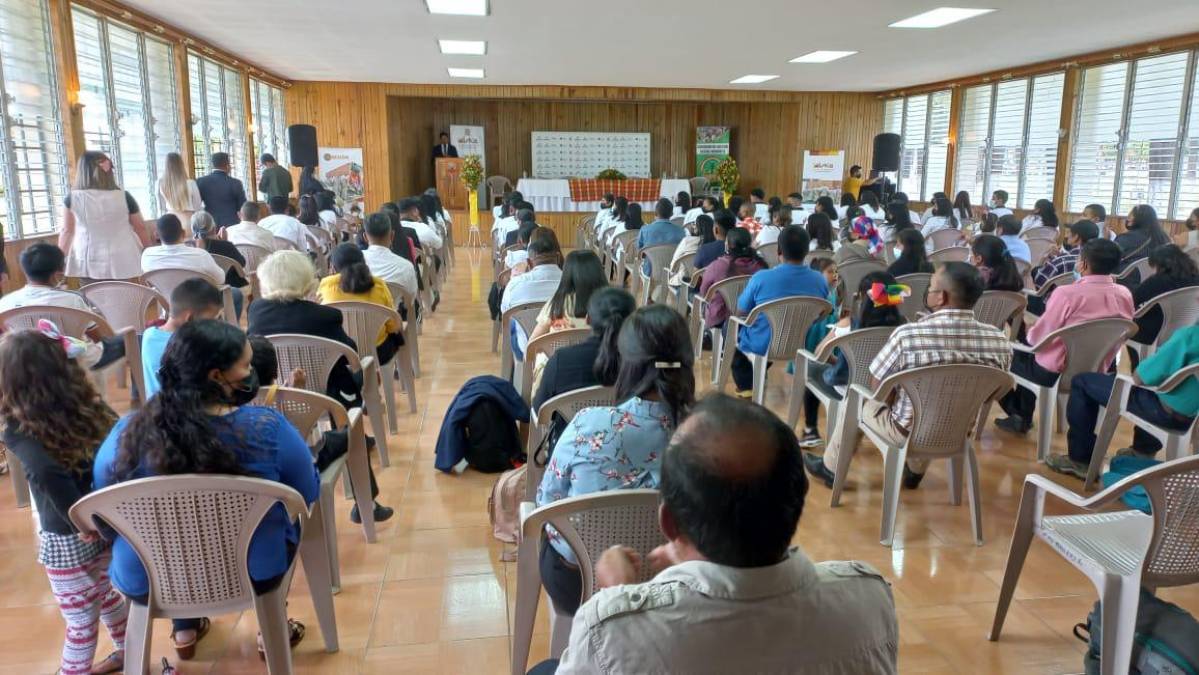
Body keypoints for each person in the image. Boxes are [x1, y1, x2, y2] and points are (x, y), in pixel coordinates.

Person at [545, 394, 898, 674]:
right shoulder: (870, 600)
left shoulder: (609, 632)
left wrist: (619, 595)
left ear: (668, 524)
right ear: (797, 497)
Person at [94, 319, 319, 660]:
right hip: (253, 570)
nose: (250, 373)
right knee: (290, 517)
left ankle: (184, 627)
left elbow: (101, 509)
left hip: (148, 577)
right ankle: (274, 625)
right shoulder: (266, 429)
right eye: (245, 366)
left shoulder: (126, 433)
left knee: (171, 529)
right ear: (216, 376)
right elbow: (306, 490)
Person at [535, 304, 695, 617]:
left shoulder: (588, 425)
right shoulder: (710, 435)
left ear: (626, 361)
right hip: (676, 585)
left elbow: (547, 502)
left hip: (581, 582)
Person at [804, 262, 1012, 489]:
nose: (928, 292)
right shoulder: (999, 341)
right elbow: (994, 392)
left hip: (903, 433)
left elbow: (878, 389)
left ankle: (830, 468)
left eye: (930, 287)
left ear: (941, 297)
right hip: (959, 432)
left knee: (857, 398)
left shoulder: (909, 336)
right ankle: (914, 471)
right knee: (938, 407)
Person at [0, 328, 128, 675]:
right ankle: (129, 652)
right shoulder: (91, 406)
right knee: (106, 593)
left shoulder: (18, 426)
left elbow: (44, 473)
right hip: (104, 523)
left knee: (80, 622)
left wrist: (78, 519)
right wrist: (96, 518)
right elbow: (119, 445)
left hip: (68, 535)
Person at [995, 239, 1134, 435]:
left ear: (1084, 264)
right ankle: (1020, 415)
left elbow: (1037, 340)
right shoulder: (1125, 294)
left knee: (999, 357)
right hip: (1097, 369)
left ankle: (1018, 414)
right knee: (1030, 355)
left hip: (1054, 371)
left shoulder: (1067, 293)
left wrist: (1031, 332)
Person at [248, 336, 391, 523]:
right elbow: (303, 440)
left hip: (259, 485)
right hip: (305, 462)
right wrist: (297, 393)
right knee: (351, 433)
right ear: (275, 369)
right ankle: (367, 505)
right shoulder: (283, 403)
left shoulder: (234, 408)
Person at [1049, 323, 1199, 479]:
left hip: (1167, 413)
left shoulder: (1189, 336)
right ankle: (1142, 452)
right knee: (1158, 390)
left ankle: (1079, 460)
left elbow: (1140, 377)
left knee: (1081, 382)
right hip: (1193, 420)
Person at [799, 272, 908, 448]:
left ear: (862, 298)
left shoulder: (848, 324)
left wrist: (837, 361)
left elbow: (820, 354)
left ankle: (810, 430)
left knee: (810, 368)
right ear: (893, 296)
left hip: (847, 387)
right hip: (885, 393)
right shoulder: (903, 327)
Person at [248, 251, 363, 408]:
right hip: (325, 399)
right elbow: (350, 352)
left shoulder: (255, 310)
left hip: (275, 397)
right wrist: (314, 307)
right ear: (305, 279)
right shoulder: (327, 316)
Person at [730, 226, 828, 396]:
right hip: (798, 343)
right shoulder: (819, 280)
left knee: (733, 329)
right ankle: (760, 371)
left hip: (761, 345)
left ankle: (746, 386)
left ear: (779, 251)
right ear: (806, 251)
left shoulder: (762, 277)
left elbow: (740, 312)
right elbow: (820, 314)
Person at [532, 287, 636, 410]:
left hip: (567, 429)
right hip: (624, 429)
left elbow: (539, 409)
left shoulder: (561, 360)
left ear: (588, 319)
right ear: (632, 322)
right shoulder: (640, 363)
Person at [58, 150, 150, 282]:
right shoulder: (124, 196)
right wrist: (148, 250)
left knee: (92, 297)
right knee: (123, 295)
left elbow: (67, 231)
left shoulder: (72, 198)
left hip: (88, 257)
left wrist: (59, 259)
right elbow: (140, 227)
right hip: (123, 256)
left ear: (82, 171)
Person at [318, 243, 405, 366]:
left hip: (342, 354)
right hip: (378, 352)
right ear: (363, 262)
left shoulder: (325, 286)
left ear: (333, 267)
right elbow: (393, 326)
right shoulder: (378, 285)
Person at [141, 278, 224, 398]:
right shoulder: (191, 346)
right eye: (211, 320)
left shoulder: (149, 334)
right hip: (186, 412)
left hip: (156, 409)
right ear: (189, 318)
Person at [1127, 244, 1199, 356]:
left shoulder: (1156, 282)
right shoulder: (1196, 278)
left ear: (1159, 265)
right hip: (1187, 329)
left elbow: (1133, 302)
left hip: (1153, 334)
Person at [501, 230, 563, 357]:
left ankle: (517, 373)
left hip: (526, 349)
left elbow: (505, 313)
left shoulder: (515, 284)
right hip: (562, 348)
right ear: (557, 257)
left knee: (513, 323)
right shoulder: (570, 282)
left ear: (529, 263)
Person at [529, 250, 607, 343]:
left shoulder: (557, 303)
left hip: (560, 356)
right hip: (603, 357)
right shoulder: (613, 303)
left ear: (566, 274)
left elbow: (533, 342)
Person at [698, 228, 768, 330]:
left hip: (722, 318)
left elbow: (704, 292)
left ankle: (704, 336)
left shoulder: (718, 266)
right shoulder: (761, 265)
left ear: (728, 245)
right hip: (752, 317)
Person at [141, 214, 226, 287]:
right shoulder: (200, 255)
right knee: (236, 294)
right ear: (183, 233)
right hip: (201, 303)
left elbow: (149, 283)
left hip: (168, 303)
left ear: (156, 235)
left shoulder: (147, 256)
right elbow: (221, 279)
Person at [191, 211, 247, 317]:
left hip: (196, 291)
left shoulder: (189, 248)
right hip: (224, 288)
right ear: (213, 228)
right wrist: (226, 242)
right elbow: (242, 263)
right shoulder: (226, 246)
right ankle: (232, 323)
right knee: (236, 294)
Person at [361, 212, 419, 300]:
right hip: (393, 313)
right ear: (392, 236)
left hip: (359, 312)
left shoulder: (352, 263)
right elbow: (412, 297)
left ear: (365, 237)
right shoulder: (406, 266)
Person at [1033, 219, 1100, 289]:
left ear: (1076, 237)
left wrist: (1045, 258)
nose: (1067, 235)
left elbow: (1039, 284)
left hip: (1057, 298)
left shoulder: (1061, 260)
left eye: (1069, 233)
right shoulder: (1099, 261)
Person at [635, 199, 686, 275]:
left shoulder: (645, 229)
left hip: (650, 271)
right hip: (673, 272)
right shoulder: (681, 232)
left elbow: (639, 250)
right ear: (672, 214)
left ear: (655, 213)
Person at [195, 152, 247, 227]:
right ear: (227, 165)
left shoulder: (201, 181)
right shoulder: (235, 183)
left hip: (209, 223)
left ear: (212, 165)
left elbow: (197, 204)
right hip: (231, 224)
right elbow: (242, 206)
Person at [156, 151, 202, 220]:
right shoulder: (190, 183)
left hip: (169, 219)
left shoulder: (160, 183)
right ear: (181, 165)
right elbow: (197, 205)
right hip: (188, 219)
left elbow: (161, 207)